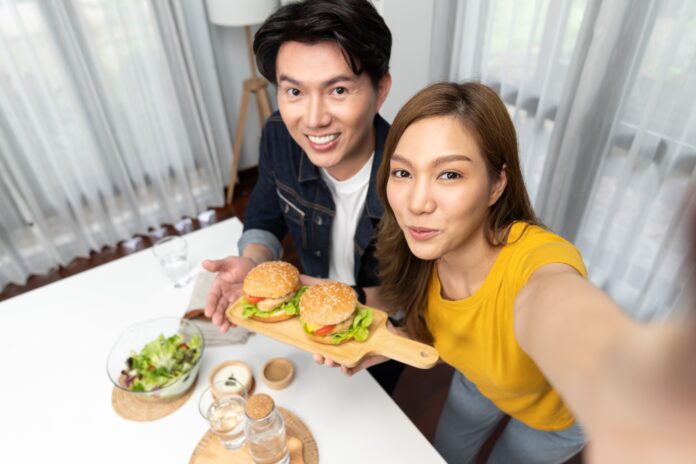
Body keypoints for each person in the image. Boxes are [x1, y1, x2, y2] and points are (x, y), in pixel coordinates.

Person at [315, 82, 696, 463]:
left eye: (449, 175)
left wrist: (626, 382)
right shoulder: (422, 245)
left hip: (553, 418)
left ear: (497, 183)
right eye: (402, 172)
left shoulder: (535, 263)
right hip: (476, 378)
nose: (416, 202)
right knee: (445, 453)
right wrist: (384, 336)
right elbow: (445, 322)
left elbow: (561, 311)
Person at [202, 0, 405, 394]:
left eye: (338, 90)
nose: (313, 119)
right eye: (294, 91)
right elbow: (264, 216)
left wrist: (340, 302)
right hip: (302, 326)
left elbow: (425, 294)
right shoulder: (279, 134)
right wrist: (253, 265)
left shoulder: (415, 176)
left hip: (379, 336)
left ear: (380, 90)